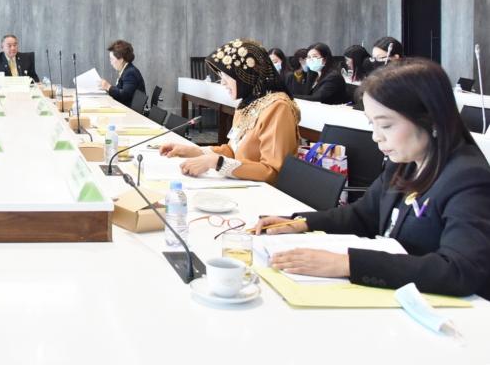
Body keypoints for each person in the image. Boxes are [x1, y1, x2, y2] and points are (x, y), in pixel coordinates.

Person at [256, 58, 490, 299]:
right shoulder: (404, 163)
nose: (376, 137)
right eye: (372, 124)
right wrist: (302, 223)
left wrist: (347, 264)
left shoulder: (468, 179)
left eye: (385, 126)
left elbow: (458, 270)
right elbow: (363, 215)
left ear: (431, 119)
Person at [159, 39, 300, 184]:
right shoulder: (247, 104)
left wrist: (216, 163)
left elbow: (273, 171)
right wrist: (191, 151)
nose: (222, 82)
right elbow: (233, 151)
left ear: (245, 73)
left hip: (266, 192)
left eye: (227, 76)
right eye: (221, 76)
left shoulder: (277, 107)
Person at [99, 39, 145, 107]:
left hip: (130, 111)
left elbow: (124, 95)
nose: (111, 62)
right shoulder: (127, 70)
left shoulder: (130, 73)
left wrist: (108, 87)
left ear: (121, 59)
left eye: (112, 59)